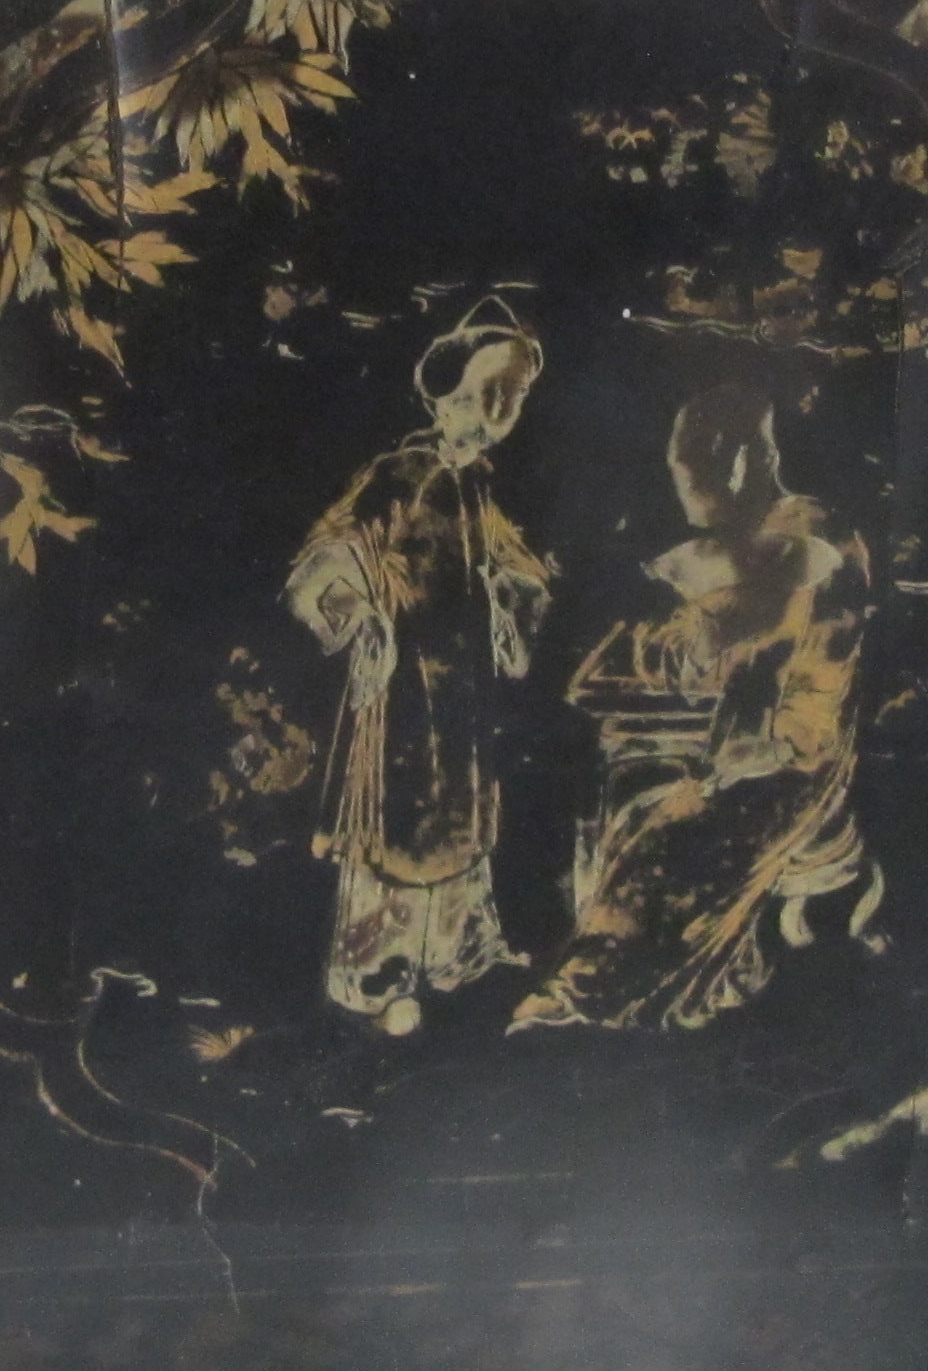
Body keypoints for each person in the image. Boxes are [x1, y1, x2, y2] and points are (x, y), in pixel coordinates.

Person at [512, 384, 875, 1034]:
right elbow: (693, 643)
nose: (684, 491)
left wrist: (771, 746)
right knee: (625, 795)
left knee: (666, 827)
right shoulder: (741, 543)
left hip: (793, 760)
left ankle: (594, 987)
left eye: (693, 473)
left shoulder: (817, 540)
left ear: (743, 465)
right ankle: (642, 975)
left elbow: (821, 683)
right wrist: (666, 648)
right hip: (728, 745)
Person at [285, 302, 554, 1034]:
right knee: (399, 819)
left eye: (514, 394)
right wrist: (363, 612)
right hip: (405, 679)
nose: (500, 408)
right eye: (487, 390)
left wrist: (514, 592)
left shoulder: (479, 484)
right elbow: (327, 557)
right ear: (445, 393)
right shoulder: (398, 475)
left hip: (463, 678)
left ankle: (457, 955)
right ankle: (383, 972)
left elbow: (517, 567)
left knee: (461, 813)